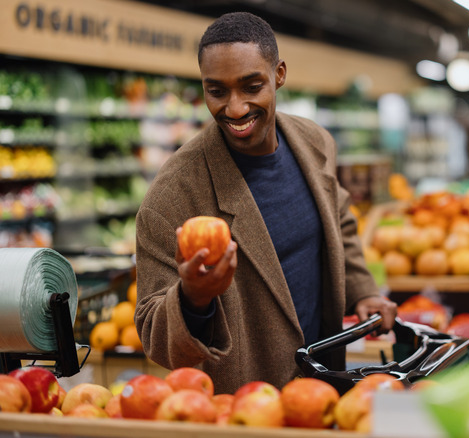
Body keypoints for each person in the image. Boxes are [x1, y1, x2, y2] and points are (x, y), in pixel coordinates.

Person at [134, 11, 397, 395]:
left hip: (326, 384)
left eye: (251, 86)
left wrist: (363, 290)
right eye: (217, 91)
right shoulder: (173, 195)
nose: (235, 108)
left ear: (279, 75)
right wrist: (193, 297)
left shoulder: (314, 143)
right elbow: (152, 333)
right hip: (247, 403)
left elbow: (338, 219)